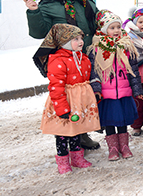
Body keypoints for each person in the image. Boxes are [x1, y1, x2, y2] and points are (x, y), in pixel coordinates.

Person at [25, 0, 100, 150]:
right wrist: (34, 11)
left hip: (85, 58)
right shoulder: (49, 4)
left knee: (83, 96)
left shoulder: (85, 2)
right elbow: (39, 32)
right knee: (67, 97)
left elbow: (96, 23)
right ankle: (66, 137)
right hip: (64, 60)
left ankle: (82, 134)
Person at [34, 24, 101, 174]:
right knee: (63, 133)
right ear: (64, 41)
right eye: (75, 39)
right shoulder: (58, 60)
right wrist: (62, 108)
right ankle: (63, 161)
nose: (81, 42)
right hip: (66, 100)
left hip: (79, 101)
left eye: (81, 38)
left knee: (77, 129)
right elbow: (56, 86)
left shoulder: (82, 57)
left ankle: (77, 158)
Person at [88, 10, 143, 161]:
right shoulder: (96, 48)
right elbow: (94, 71)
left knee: (123, 121)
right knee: (110, 121)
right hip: (107, 94)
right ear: (104, 30)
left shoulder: (127, 46)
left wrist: (137, 89)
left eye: (118, 27)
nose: (116, 30)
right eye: (112, 28)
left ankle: (124, 146)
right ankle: (112, 148)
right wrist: (97, 89)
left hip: (124, 91)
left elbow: (133, 70)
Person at [123, 8, 143, 136]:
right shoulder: (129, 38)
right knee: (136, 104)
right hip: (135, 76)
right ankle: (136, 126)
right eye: (140, 22)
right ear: (134, 23)